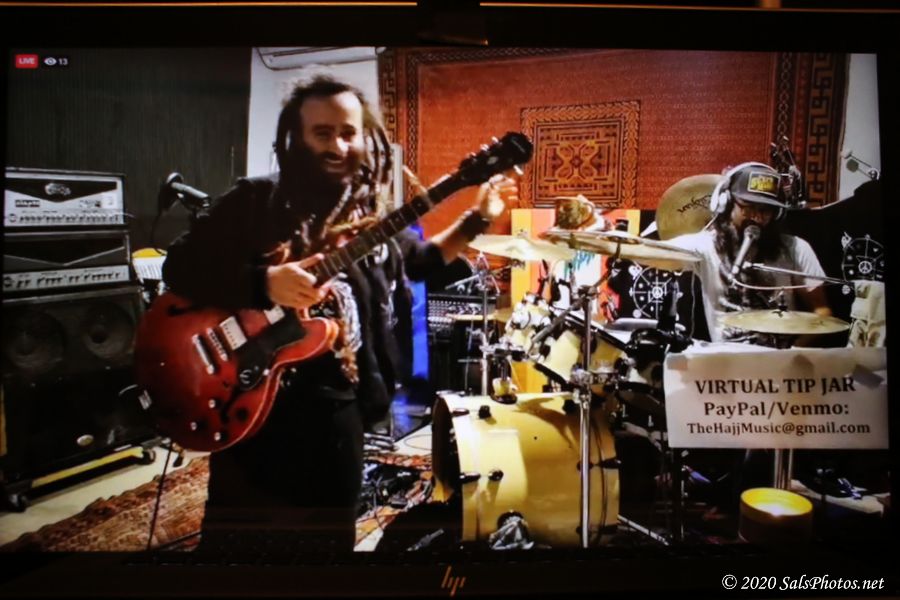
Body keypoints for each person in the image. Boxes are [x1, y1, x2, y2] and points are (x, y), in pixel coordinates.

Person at [162, 75, 516, 551]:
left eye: (348, 133)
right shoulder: (255, 199)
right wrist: (263, 281)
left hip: (338, 410)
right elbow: (180, 264)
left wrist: (477, 218)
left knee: (328, 546)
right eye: (323, 133)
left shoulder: (370, 216)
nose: (338, 146)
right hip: (254, 405)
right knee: (237, 546)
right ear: (296, 137)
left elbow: (422, 261)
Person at [667, 162, 832, 346]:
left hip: (781, 358)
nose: (758, 218)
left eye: (766, 210)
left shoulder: (796, 248)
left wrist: (794, 351)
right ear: (725, 203)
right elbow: (655, 253)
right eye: (749, 207)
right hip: (727, 360)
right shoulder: (705, 245)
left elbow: (822, 312)